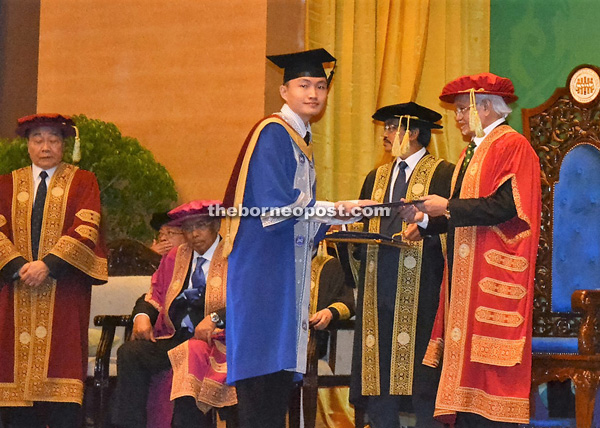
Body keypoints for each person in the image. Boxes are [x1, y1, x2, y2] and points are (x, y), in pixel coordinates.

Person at [223, 48, 365, 428]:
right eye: (304, 85)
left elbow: (303, 215)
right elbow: (275, 206)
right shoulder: (272, 133)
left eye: (320, 86)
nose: (314, 93)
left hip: (284, 271)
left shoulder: (300, 138)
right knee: (260, 376)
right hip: (262, 270)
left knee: (277, 376)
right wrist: (335, 209)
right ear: (284, 91)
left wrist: (336, 218)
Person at [408, 73, 541, 427]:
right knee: (464, 379)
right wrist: (424, 221)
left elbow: (504, 207)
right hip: (464, 277)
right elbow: (463, 211)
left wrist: (446, 207)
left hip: (492, 275)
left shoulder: (513, 145)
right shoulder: (473, 151)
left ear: (485, 107)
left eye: (463, 109)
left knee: (490, 382)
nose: (458, 118)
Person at [350, 103, 454, 428]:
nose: (386, 133)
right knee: (378, 369)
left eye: (393, 127)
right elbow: (361, 227)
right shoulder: (375, 177)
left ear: (414, 133)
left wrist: (425, 229)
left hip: (423, 285)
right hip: (378, 283)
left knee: (423, 373)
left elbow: (455, 227)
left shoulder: (443, 173)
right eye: (386, 127)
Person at [0, 114, 108, 428]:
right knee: (14, 395)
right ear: (28, 145)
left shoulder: (83, 181)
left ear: (64, 145)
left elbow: (86, 227)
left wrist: (47, 265)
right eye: (38, 140)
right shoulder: (6, 184)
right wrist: (20, 267)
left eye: (54, 140)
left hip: (63, 288)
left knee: (61, 378)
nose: (46, 147)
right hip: (15, 287)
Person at [111, 200, 235, 428]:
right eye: (188, 228)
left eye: (201, 226)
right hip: (176, 338)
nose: (194, 234)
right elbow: (154, 294)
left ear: (216, 224)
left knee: (191, 352)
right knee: (131, 352)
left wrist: (216, 318)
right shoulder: (176, 257)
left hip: (219, 341)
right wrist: (142, 317)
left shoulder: (234, 255)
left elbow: (247, 300)